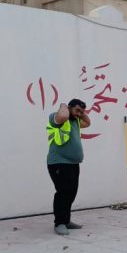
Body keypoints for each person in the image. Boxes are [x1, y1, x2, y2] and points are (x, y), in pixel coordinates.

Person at [47, 99, 90, 236]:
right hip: (59, 163)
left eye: (81, 111)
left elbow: (88, 122)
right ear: (69, 107)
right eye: (77, 110)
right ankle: (59, 223)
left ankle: (66, 221)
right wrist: (64, 105)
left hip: (72, 164)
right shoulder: (56, 118)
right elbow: (64, 115)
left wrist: (80, 112)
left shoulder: (75, 121)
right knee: (63, 193)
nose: (79, 114)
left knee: (71, 193)